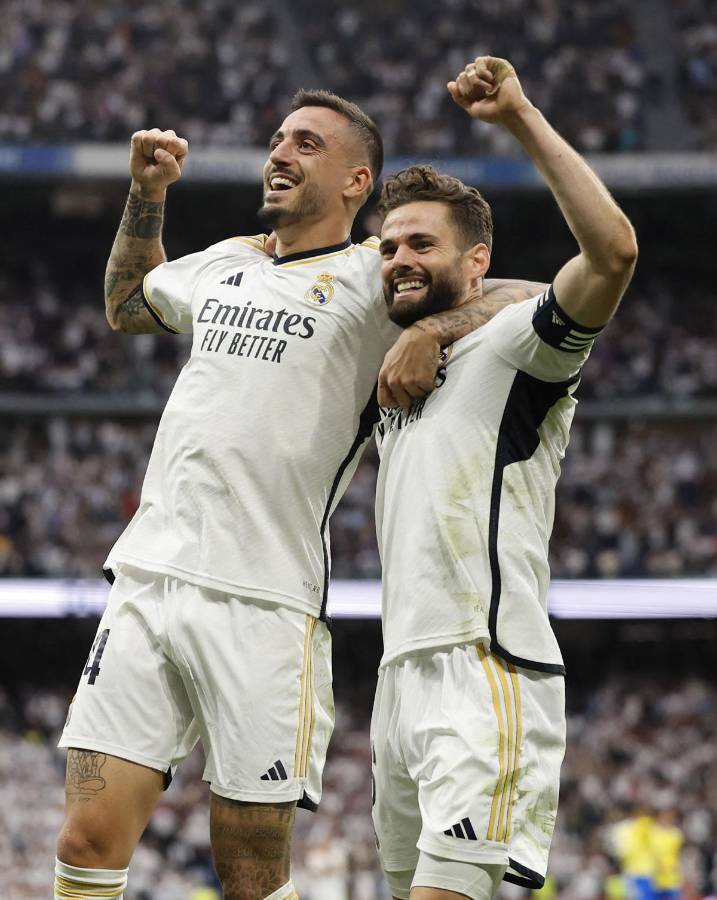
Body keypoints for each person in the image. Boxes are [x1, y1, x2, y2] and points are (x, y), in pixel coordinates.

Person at [54, 88, 539, 900]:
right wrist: (147, 194)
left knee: (248, 871)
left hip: (267, 601)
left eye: (306, 143)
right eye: (279, 139)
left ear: (356, 181)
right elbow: (128, 303)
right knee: (85, 838)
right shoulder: (227, 260)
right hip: (147, 578)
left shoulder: (375, 276)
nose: (279, 152)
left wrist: (427, 330)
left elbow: (531, 296)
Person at [370, 56, 637, 900]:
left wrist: (520, 117)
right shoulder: (388, 362)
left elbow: (613, 254)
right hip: (398, 676)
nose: (399, 258)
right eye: (388, 246)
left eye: (422, 243)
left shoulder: (516, 345)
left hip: (484, 667)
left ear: (476, 260)